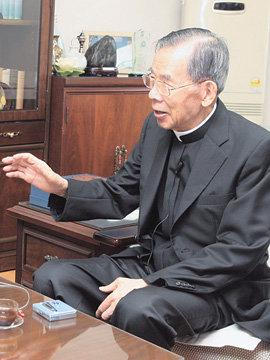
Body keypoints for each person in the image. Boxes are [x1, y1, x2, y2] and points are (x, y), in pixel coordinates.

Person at [2, 28, 270, 349]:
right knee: (53, 275)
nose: (153, 94)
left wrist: (148, 283)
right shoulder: (156, 129)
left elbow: (238, 251)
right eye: (151, 79)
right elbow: (119, 195)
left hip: (214, 284)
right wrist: (59, 185)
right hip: (149, 262)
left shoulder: (254, 147)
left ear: (207, 92)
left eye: (166, 83)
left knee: (138, 306)